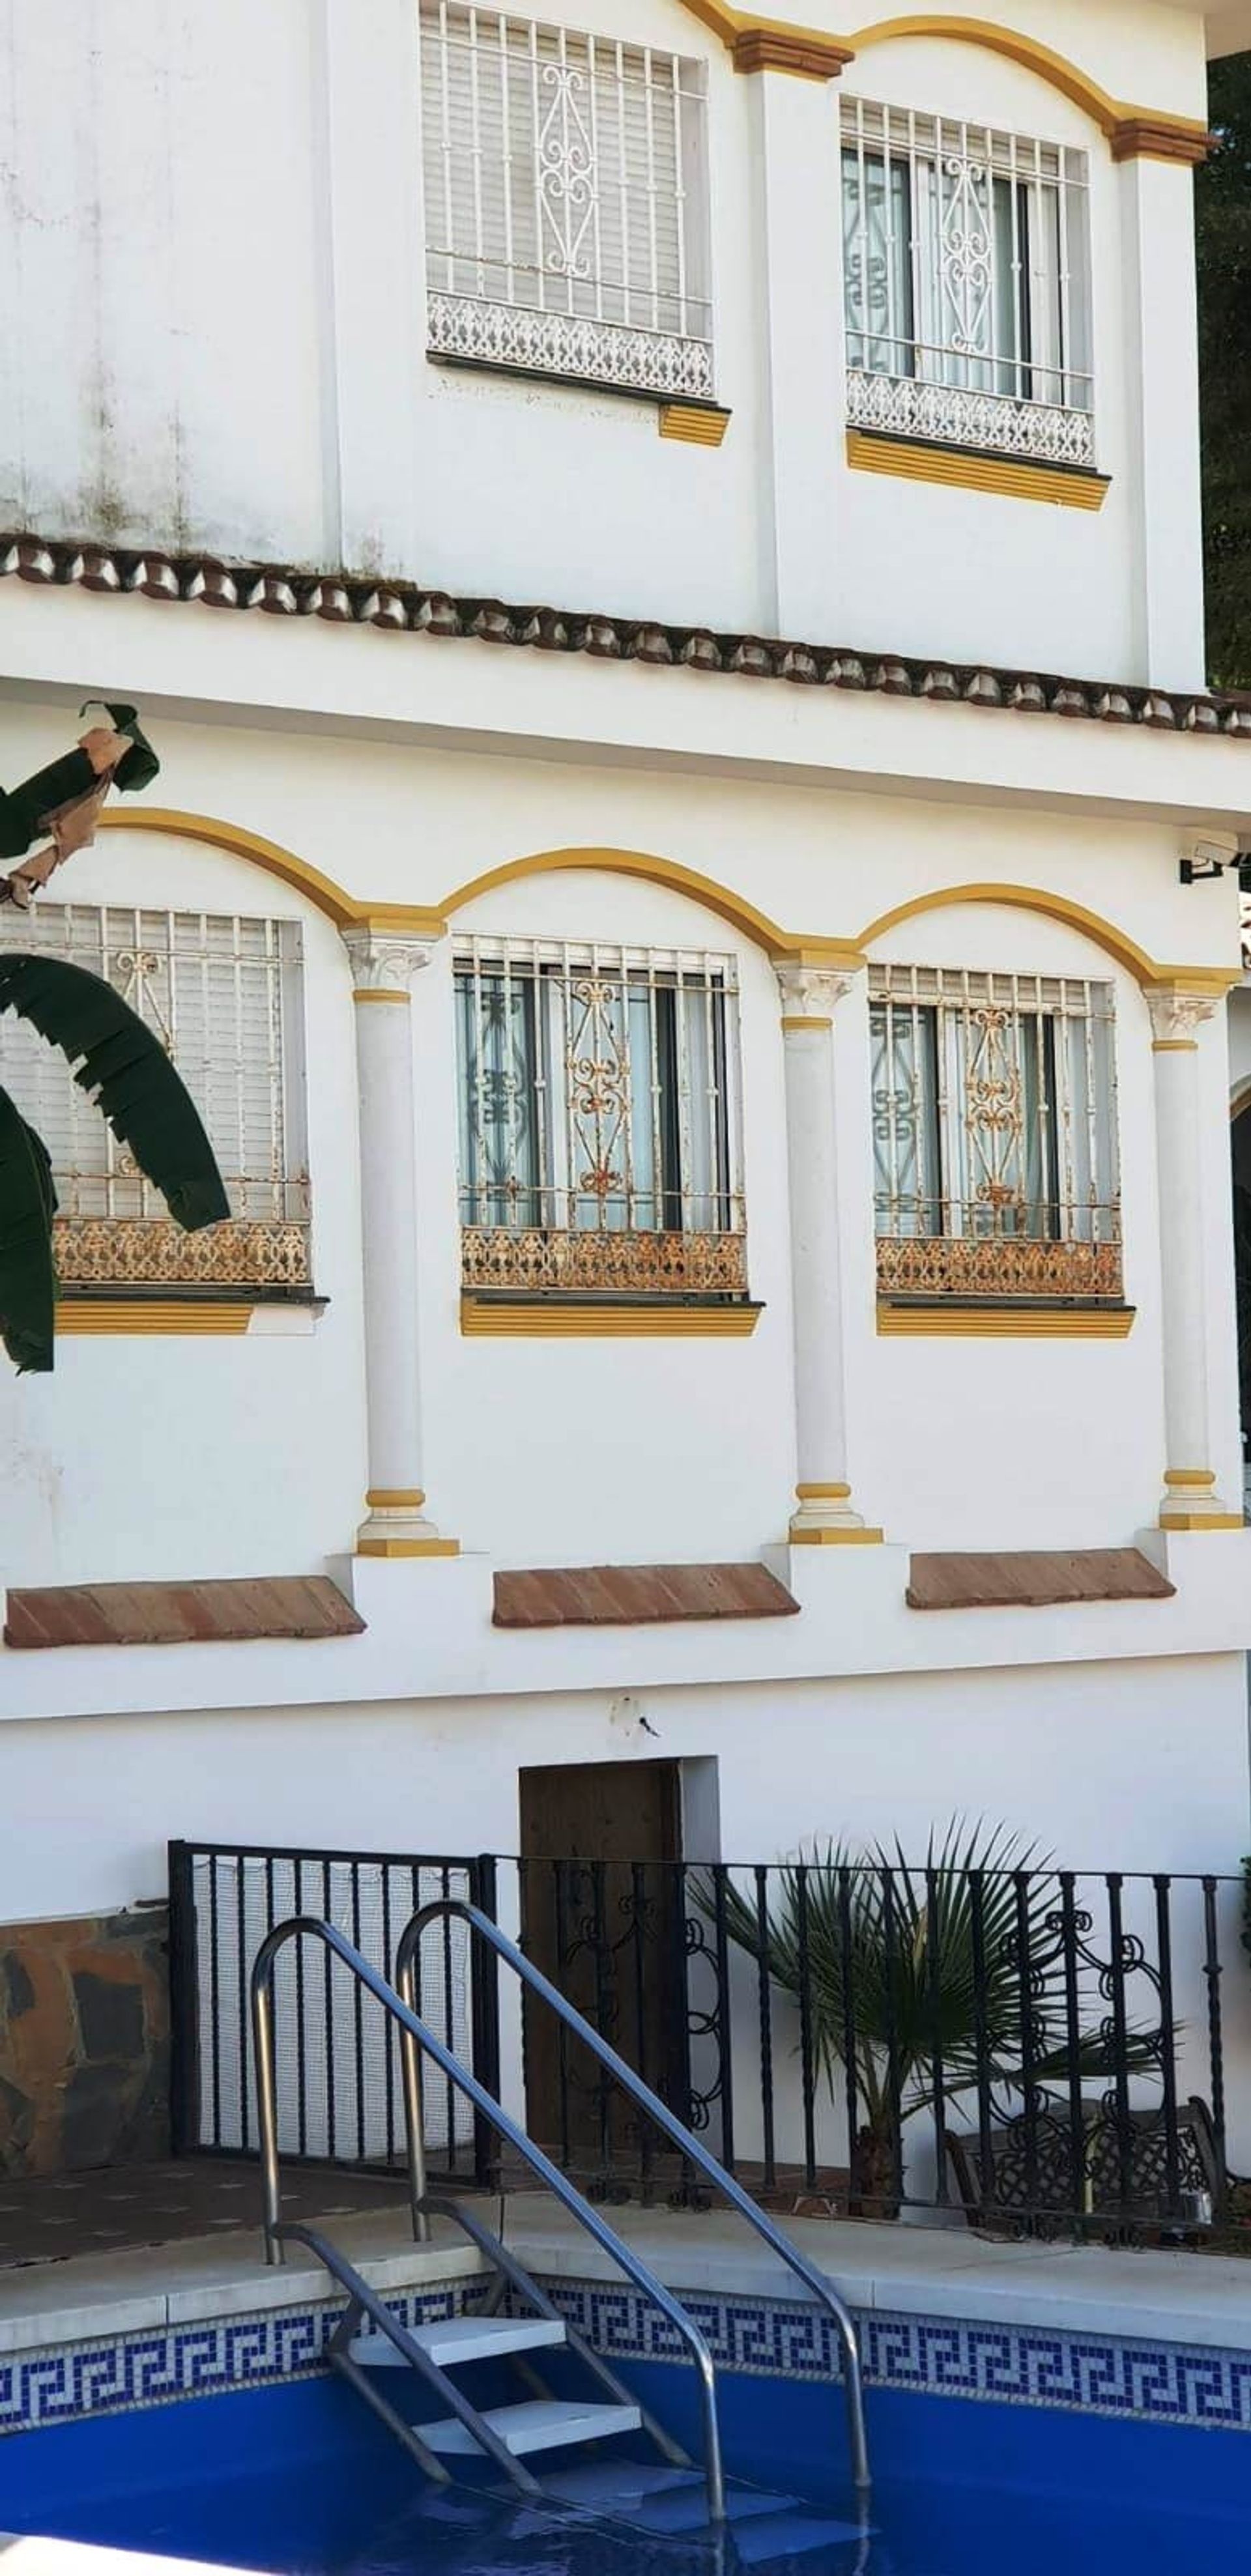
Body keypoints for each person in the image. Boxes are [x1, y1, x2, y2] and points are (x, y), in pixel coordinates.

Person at [0, 701, 160, 908]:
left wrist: (25, 877)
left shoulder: (94, 789)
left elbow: (69, 839)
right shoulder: (90, 777)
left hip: (16, 828)